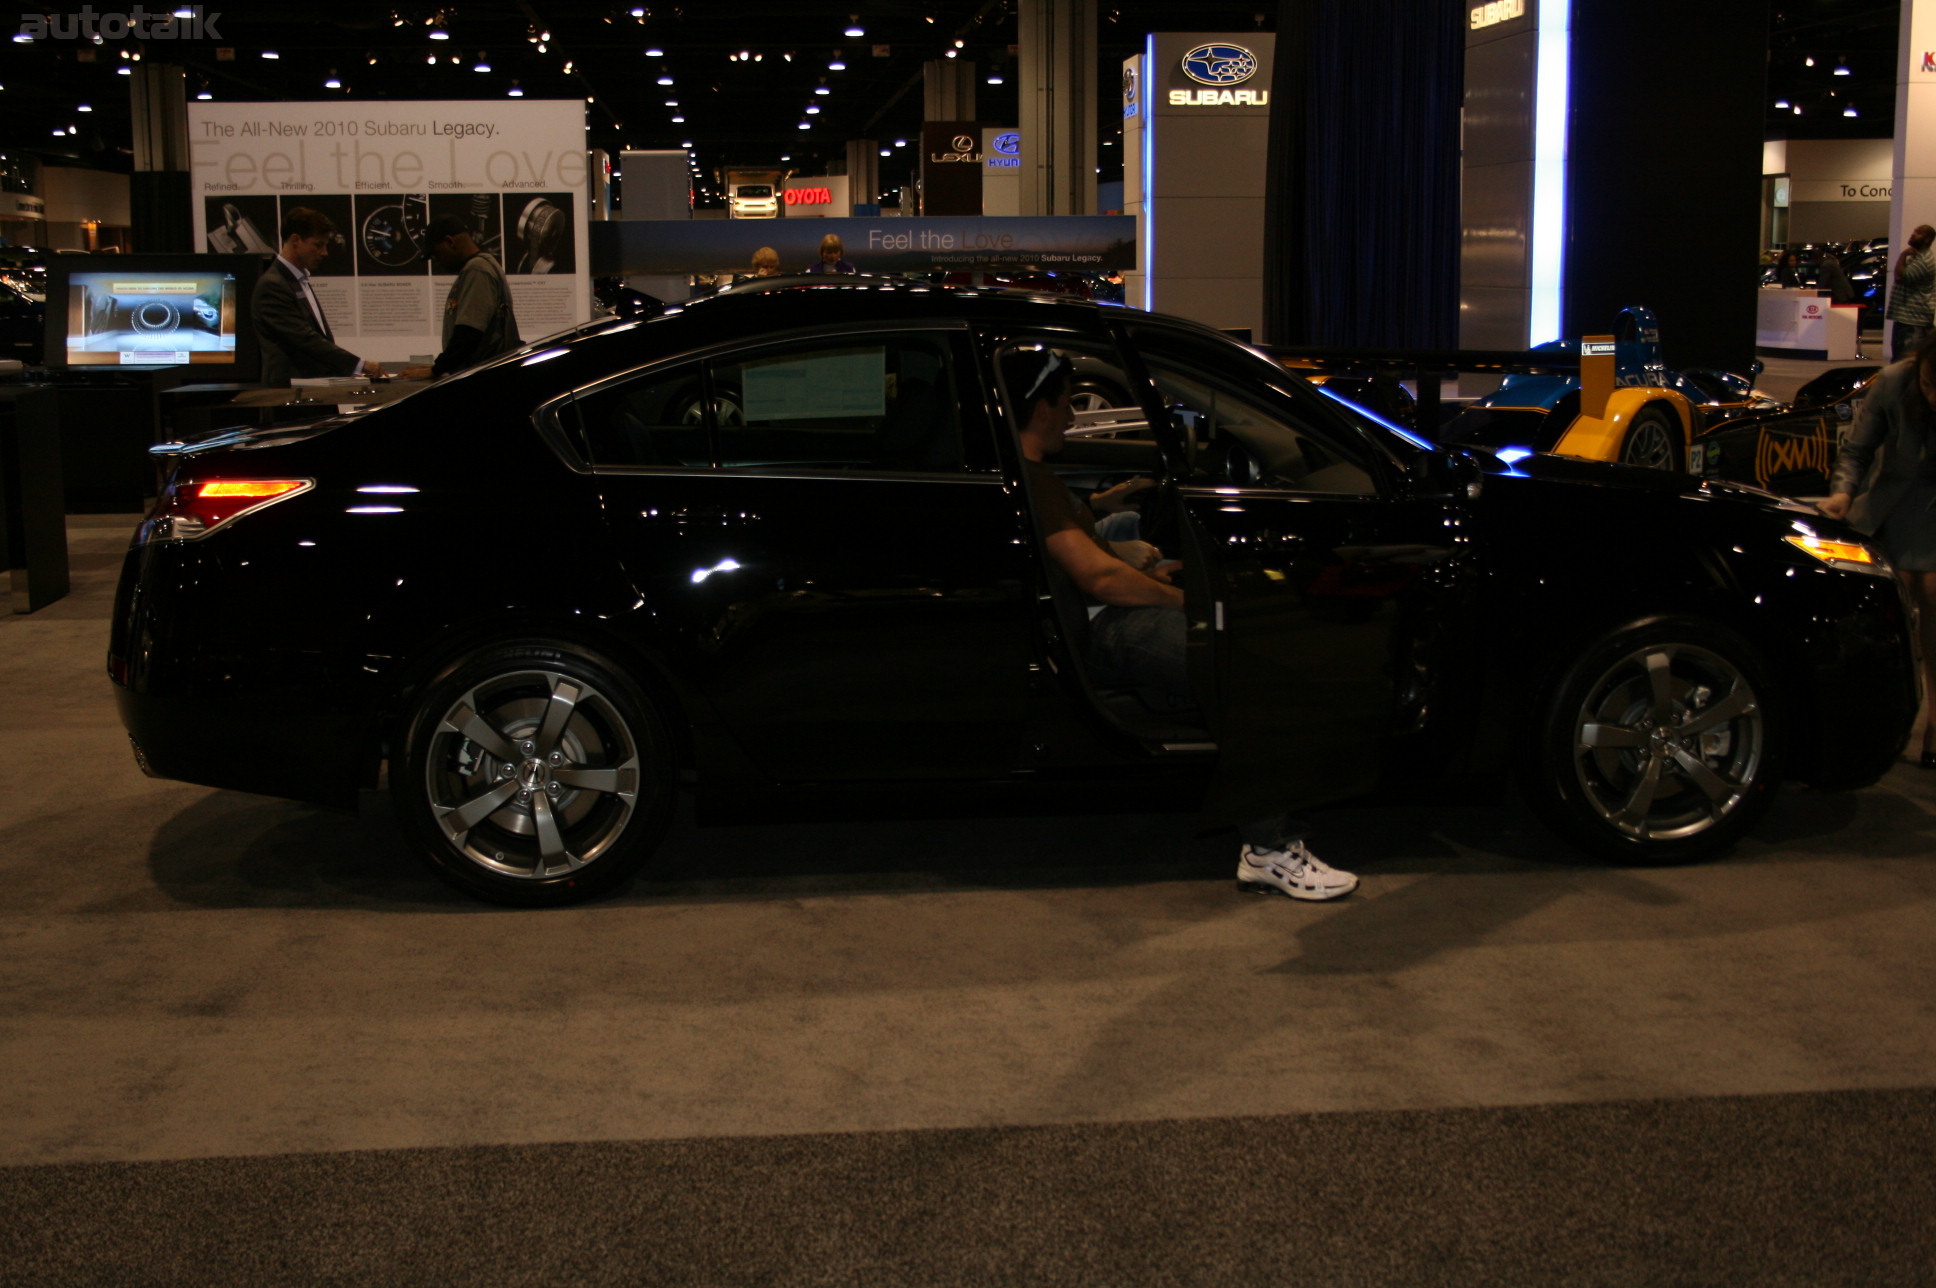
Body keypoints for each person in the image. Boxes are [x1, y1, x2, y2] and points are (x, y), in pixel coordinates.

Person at [1006, 345, 1359, 899]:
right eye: (1066, 405)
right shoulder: (1032, 481)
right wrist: (1188, 606)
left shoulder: (1033, 475)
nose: (1074, 418)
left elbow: (1089, 549)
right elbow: (1101, 581)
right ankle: (1268, 851)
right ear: (1044, 409)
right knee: (1250, 673)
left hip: (1107, 609)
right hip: (1105, 624)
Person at [1819, 333, 1936, 769]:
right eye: (1928, 384)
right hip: (1893, 507)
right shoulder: (1893, 381)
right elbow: (1858, 450)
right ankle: (1879, 721)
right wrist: (1843, 494)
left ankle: (1934, 725)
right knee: (1895, 607)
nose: (1932, 396)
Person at [253, 207, 386, 386]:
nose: (324, 252)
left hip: (313, 393)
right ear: (295, 240)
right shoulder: (273, 285)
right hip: (290, 399)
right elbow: (304, 339)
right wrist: (359, 365)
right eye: (318, 244)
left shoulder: (297, 280)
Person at [416, 214, 522, 378]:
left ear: (450, 242)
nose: (437, 262)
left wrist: (437, 369)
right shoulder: (483, 265)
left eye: (436, 254)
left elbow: (468, 333)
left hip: (481, 377)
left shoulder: (477, 270)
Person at [1887, 224, 1936, 361]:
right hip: (1908, 318)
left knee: (1905, 362)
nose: (1913, 234)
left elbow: (1899, 276)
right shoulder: (1917, 257)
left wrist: (1903, 254)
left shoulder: (1923, 261)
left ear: (1927, 240)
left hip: (1913, 321)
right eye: (1914, 230)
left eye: (1918, 233)